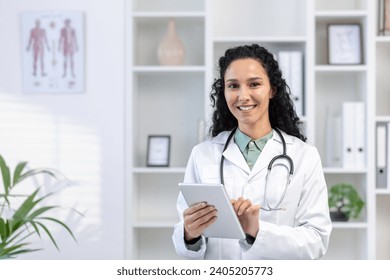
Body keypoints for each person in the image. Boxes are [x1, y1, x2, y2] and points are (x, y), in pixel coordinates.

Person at [172, 44, 332, 259]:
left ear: (272, 89)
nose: (243, 95)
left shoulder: (304, 156)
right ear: (224, 92)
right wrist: (189, 234)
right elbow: (184, 240)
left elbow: (317, 240)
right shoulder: (203, 154)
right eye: (233, 86)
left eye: (254, 84)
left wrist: (257, 232)